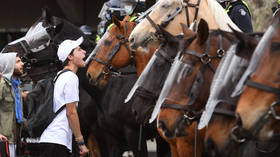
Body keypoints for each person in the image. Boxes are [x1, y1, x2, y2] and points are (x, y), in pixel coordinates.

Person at [39, 37, 89, 157]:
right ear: (70, 57)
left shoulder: (59, 76)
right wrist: (81, 142)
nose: (84, 52)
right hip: (57, 142)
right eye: (79, 49)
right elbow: (70, 112)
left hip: (49, 139)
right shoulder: (71, 77)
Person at [0, 52, 25, 157]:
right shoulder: (2, 85)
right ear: (9, 65)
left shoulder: (17, 88)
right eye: (18, 62)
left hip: (15, 139)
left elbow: (18, 116)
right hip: (4, 140)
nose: (22, 64)